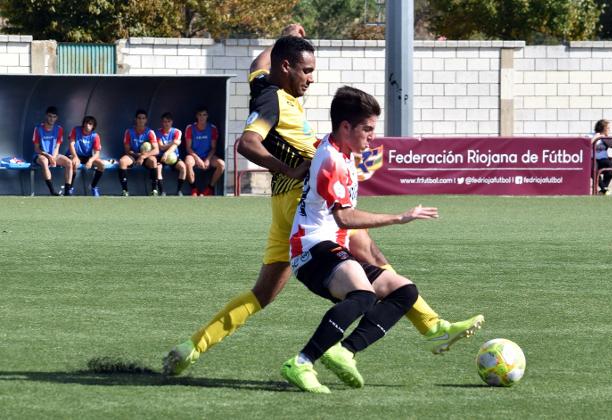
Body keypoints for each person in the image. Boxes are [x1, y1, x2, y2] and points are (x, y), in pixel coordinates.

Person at [162, 25, 483, 376]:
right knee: (371, 256)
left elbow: (258, 62)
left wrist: (284, 37)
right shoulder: (272, 101)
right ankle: (430, 326)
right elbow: (247, 143)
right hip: (302, 197)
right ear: (286, 67)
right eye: (307, 70)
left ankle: (191, 347)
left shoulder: (263, 86)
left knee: (262, 294)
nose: (311, 79)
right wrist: (290, 167)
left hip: (283, 205)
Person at [281, 86, 442, 393]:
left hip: (330, 248)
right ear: (345, 127)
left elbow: (311, 158)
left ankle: (345, 351)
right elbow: (345, 218)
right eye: (367, 129)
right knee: (364, 295)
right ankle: (301, 362)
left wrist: (299, 171)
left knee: (403, 290)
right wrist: (398, 218)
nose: (372, 136)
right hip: (311, 249)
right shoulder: (332, 160)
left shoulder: (334, 147)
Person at [32, 106, 73, 196]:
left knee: (69, 163)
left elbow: (57, 146)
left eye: (54, 117)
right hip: (41, 155)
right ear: (46, 116)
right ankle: (52, 192)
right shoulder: (38, 129)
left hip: (54, 154)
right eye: (50, 116)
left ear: (56, 118)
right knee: (44, 161)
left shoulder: (59, 129)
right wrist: (49, 156)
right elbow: (36, 149)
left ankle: (67, 192)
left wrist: (53, 157)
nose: (52, 119)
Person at [184, 106, 225, 196]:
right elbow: (188, 148)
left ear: (207, 116)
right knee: (187, 162)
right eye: (200, 115)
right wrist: (198, 159)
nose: (202, 117)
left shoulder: (212, 128)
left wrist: (207, 160)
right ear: (196, 116)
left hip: (208, 156)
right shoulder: (190, 128)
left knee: (222, 164)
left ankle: (209, 188)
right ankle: (194, 189)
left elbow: (213, 147)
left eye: (204, 115)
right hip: (194, 156)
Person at [118, 109, 159, 196]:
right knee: (122, 161)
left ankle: (154, 190)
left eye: (143, 118)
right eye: (139, 118)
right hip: (133, 156)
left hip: (145, 157)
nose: (141, 120)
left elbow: (156, 150)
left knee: (153, 161)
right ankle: (125, 191)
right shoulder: (129, 132)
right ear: (136, 119)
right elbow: (127, 150)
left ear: (146, 120)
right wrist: (136, 154)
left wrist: (143, 156)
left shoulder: (150, 132)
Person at [67, 115, 105, 197]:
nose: (87, 125)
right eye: (86, 123)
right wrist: (75, 156)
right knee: (74, 163)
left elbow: (97, 153)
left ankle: (93, 187)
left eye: (90, 124)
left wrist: (90, 160)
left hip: (87, 157)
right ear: (83, 124)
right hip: (75, 154)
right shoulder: (76, 130)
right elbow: (71, 144)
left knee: (101, 165)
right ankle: (70, 188)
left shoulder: (95, 136)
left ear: (93, 126)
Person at [156, 112, 186, 196]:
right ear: (162, 122)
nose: (166, 124)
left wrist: (167, 152)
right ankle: (162, 191)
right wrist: (173, 142)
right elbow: (161, 147)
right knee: (158, 168)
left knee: (183, 167)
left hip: (173, 157)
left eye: (168, 121)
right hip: (161, 157)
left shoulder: (177, 132)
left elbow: (175, 146)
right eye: (164, 122)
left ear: (171, 122)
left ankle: (179, 191)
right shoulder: (158, 132)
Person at [592, 119, 612, 194]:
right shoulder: (591, 135)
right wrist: (595, 137)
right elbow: (587, 144)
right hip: (592, 158)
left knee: (610, 165)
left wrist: (604, 137)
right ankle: (604, 188)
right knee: (593, 167)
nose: (609, 130)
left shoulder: (606, 137)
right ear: (602, 128)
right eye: (608, 128)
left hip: (603, 159)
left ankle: (603, 189)